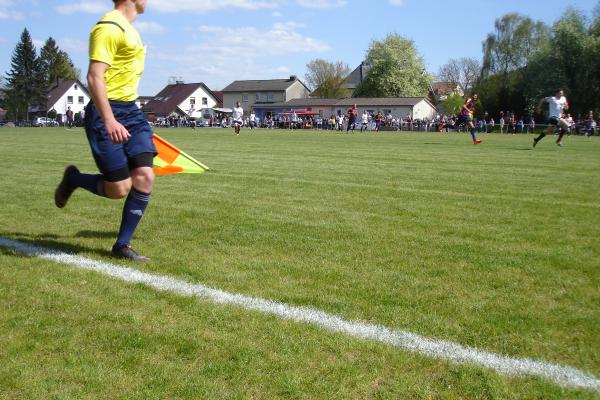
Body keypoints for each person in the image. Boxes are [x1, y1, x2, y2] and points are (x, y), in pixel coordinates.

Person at [54, 0, 155, 261]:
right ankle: (73, 179)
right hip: (105, 112)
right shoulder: (109, 27)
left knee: (144, 176)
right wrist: (109, 120)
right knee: (119, 189)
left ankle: (122, 246)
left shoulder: (130, 29)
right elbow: (94, 76)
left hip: (132, 112)